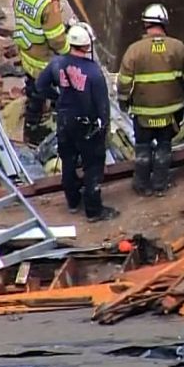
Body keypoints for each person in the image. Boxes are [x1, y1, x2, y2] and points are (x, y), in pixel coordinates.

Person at [34, 22, 118, 222]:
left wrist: (57, 98)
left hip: (64, 121)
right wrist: (104, 128)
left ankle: (72, 201)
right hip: (86, 124)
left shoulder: (57, 63)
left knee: (68, 161)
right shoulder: (94, 72)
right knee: (93, 166)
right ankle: (93, 210)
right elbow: (102, 107)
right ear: (88, 45)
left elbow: (40, 85)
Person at [117, 3, 184, 196]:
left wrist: (123, 102)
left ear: (145, 24)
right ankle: (160, 184)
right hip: (170, 112)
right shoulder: (178, 47)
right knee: (165, 146)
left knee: (142, 148)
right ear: (164, 23)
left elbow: (124, 81)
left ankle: (141, 184)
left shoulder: (134, 50)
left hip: (143, 113)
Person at [14, 0, 71, 146]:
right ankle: (35, 132)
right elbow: (57, 40)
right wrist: (70, 51)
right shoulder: (49, 4)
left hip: (25, 51)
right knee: (50, 93)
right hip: (42, 61)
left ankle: (32, 123)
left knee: (33, 88)